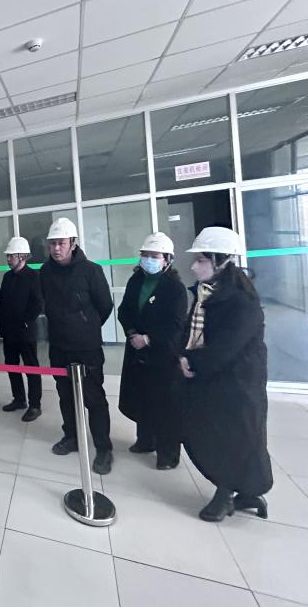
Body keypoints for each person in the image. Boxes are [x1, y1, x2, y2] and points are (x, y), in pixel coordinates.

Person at [180, 227, 272, 522]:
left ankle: (226, 494)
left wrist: (192, 362)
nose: (194, 267)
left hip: (237, 385)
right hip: (212, 379)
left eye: (201, 260)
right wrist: (182, 356)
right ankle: (246, 490)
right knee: (214, 435)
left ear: (220, 261)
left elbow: (224, 348)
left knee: (234, 439)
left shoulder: (242, 302)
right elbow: (190, 331)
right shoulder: (205, 294)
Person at [40, 217, 114, 474]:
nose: (56, 248)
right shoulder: (45, 272)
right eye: (52, 244)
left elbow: (105, 305)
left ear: (73, 243)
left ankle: (103, 448)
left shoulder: (91, 271)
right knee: (66, 395)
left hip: (86, 347)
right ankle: (72, 436)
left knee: (94, 397)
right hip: (59, 346)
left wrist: (86, 326)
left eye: (61, 243)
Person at [117, 233, 187, 469]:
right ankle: (145, 441)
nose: (149, 259)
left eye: (154, 256)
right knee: (142, 398)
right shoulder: (136, 281)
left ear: (167, 259)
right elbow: (124, 311)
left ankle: (168, 455)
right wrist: (131, 334)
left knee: (164, 405)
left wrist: (148, 339)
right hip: (136, 349)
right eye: (145, 255)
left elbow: (176, 324)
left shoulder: (175, 288)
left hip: (162, 354)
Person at [0, 236, 44, 422]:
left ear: (22, 256)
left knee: (31, 368)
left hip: (25, 332)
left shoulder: (33, 276)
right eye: (8, 256)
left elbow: (38, 303)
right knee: (12, 366)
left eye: (12, 256)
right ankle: (19, 399)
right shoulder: (7, 277)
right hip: (9, 332)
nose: (8, 259)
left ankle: (35, 405)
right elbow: (1, 301)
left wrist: (25, 322)